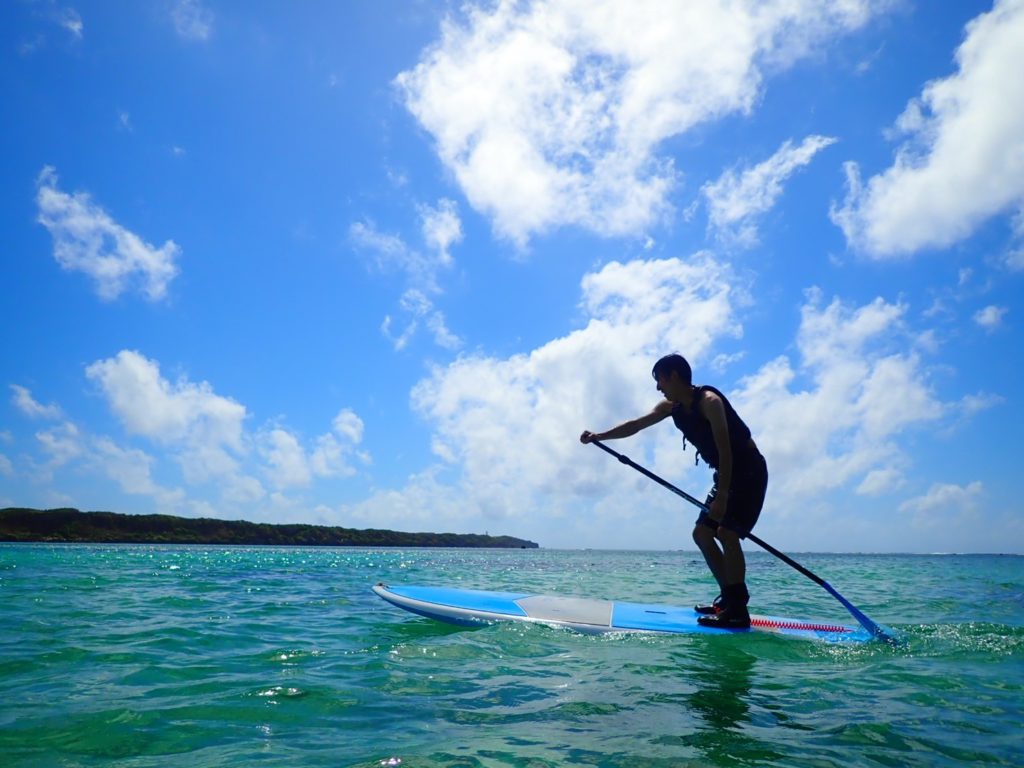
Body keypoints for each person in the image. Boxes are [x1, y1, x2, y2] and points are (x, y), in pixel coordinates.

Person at [580, 353, 768, 629]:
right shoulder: (671, 407)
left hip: (748, 472)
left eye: (660, 380)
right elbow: (635, 425)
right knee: (702, 534)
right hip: (725, 475)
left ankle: (738, 611)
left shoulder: (711, 403)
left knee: (727, 532)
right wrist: (599, 436)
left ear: (675, 376)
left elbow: (726, 450)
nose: (658, 387)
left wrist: (724, 494)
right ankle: (729, 599)